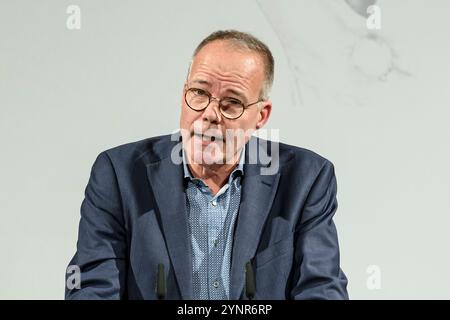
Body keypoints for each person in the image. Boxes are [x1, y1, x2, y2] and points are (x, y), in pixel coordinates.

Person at [65, 30, 348, 300]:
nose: (210, 114)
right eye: (199, 93)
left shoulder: (305, 179)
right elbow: (92, 286)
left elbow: (321, 286)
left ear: (261, 115)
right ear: (183, 94)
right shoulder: (120, 174)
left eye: (231, 103)